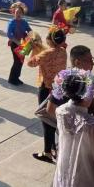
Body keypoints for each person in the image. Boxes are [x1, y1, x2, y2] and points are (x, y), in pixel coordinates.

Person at [27, 28, 68, 164]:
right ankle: (54, 147)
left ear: (50, 40)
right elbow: (51, 51)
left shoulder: (45, 54)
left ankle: (47, 152)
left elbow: (30, 63)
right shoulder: (63, 52)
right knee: (55, 119)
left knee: (46, 119)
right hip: (59, 89)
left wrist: (34, 49)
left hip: (46, 88)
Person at [7, 2, 31, 86]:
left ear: (22, 14)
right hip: (14, 44)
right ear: (14, 13)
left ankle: (16, 78)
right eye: (17, 12)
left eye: (20, 13)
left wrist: (32, 36)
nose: (18, 14)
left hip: (23, 44)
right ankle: (11, 79)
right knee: (17, 61)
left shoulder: (24, 22)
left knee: (21, 61)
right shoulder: (11, 22)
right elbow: (9, 34)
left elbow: (29, 30)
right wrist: (17, 42)